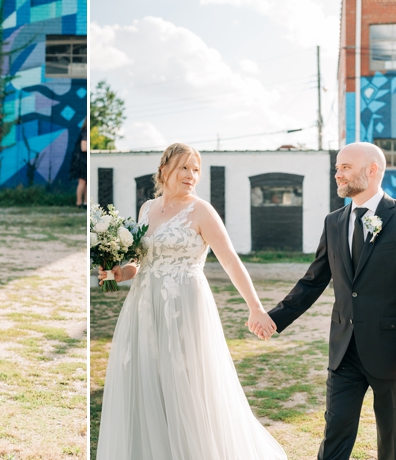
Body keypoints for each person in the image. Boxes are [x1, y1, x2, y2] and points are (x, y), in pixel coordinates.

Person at [95, 143, 285, 459]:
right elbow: (141, 262)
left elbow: (231, 261)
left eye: (196, 169)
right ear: (165, 169)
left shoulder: (201, 211)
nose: (191, 175)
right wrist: (117, 274)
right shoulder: (147, 209)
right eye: (184, 167)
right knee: (150, 377)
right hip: (144, 304)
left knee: (187, 382)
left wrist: (255, 306)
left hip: (184, 306)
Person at [267, 142, 396, 460]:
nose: (337, 173)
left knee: (392, 439)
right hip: (344, 351)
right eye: (337, 167)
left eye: (345, 167)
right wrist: (275, 318)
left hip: (391, 351)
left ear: (371, 170)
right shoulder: (333, 222)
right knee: (335, 432)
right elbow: (314, 281)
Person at [70, 121, 87, 209]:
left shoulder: (85, 132)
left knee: (86, 183)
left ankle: (85, 203)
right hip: (81, 161)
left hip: (84, 160)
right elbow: (84, 148)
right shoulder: (85, 133)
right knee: (82, 182)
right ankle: (79, 203)